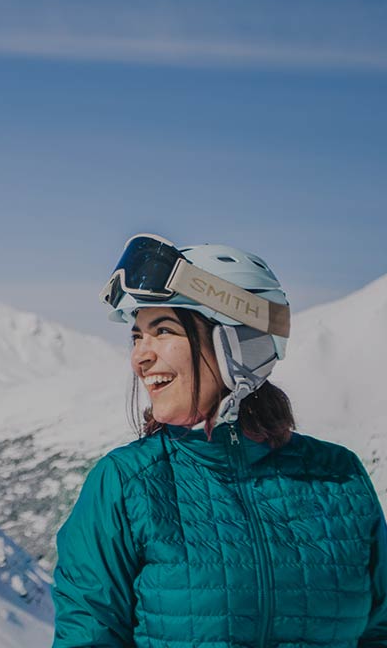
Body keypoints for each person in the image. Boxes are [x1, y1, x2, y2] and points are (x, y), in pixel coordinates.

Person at [51, 234, 387, 648]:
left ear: (238, 343)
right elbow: (88, 637)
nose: (140, 356)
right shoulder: (126, 484)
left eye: (163, 330)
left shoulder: (339, 477)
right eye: (137, 335)